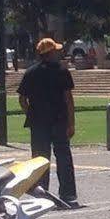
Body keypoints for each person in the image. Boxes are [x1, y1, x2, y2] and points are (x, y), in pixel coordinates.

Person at [17, 37, 78, 207]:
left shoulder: (30, 73)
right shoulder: (62, 71)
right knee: (64, 158)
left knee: (39, 161)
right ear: (50, 53)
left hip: (38, 123)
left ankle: (41, 193)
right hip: (59, 120)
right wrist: (71, 122)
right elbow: (68, 99)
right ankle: (68, 194)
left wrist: (31, 113)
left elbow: (22, 99)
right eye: (56, 50)